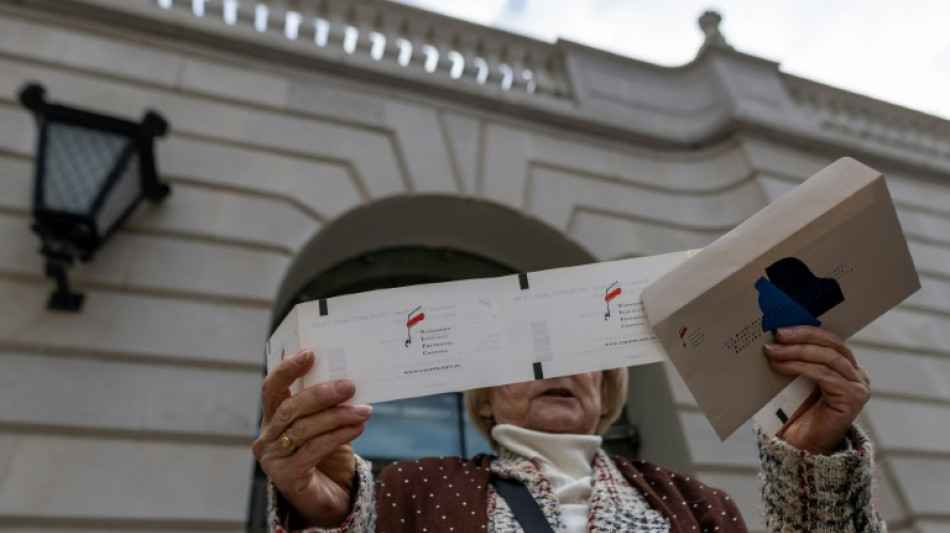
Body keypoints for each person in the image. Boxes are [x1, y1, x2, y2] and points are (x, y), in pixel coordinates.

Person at [253, 325, 885, 532]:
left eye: (574, 351)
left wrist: (814, 464)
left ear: (607, 386)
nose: (551, 366)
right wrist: (329, 518)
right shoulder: (407, 491)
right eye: (524, 356)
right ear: (486, 397)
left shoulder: (698, 504)